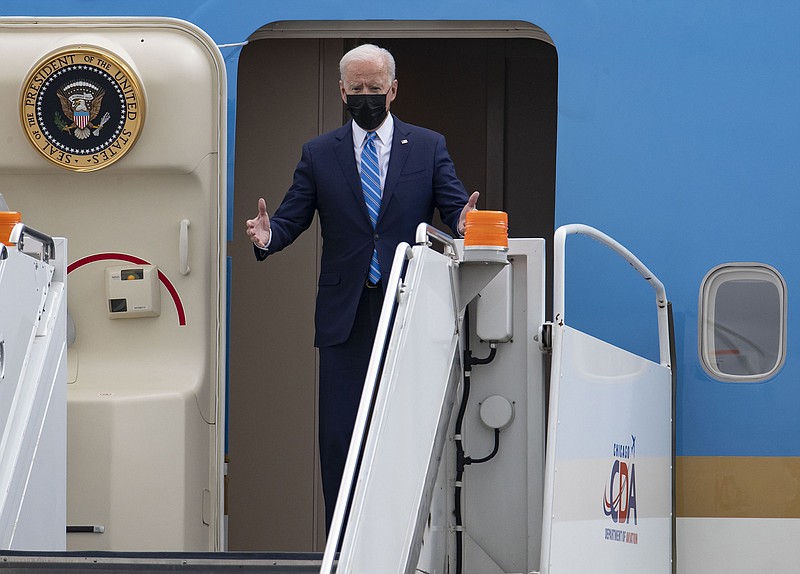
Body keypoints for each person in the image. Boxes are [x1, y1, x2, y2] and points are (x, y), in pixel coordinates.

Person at [245, 43, 478, 531]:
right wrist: (269, 237)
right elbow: (291, 217)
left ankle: (407, 535)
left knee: (406, 428)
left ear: (393, 90)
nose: (366, 97)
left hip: (408, 307)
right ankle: (343, 538)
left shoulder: (429, 145)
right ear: (342, 91)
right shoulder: (319, 153)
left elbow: (455, 208)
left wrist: (465, 221)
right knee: (339, 436)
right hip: (344, 315)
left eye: (375, 89)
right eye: (357, 89)